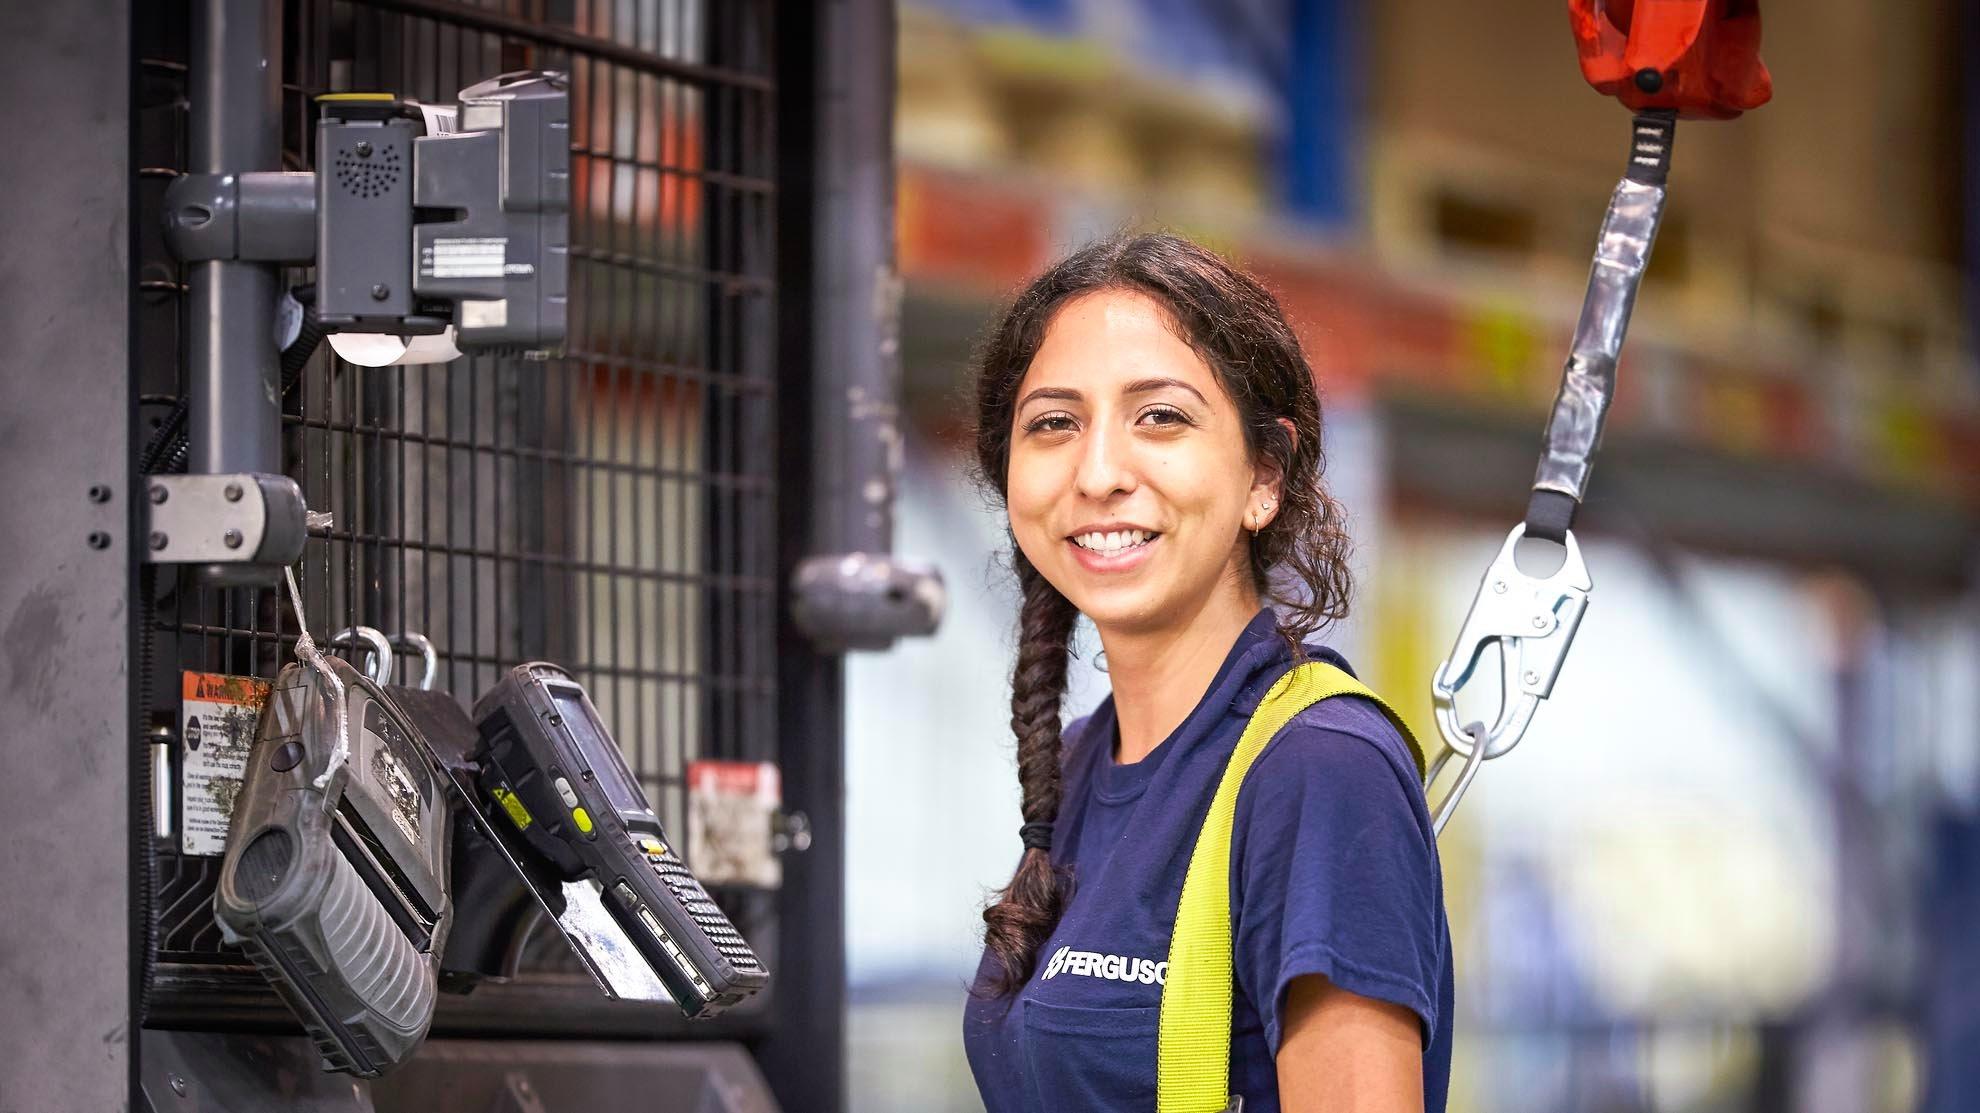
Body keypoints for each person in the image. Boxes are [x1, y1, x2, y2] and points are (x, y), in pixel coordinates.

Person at [960, 233, 1453, 1112]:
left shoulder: (1320, 770)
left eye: (1160, 417)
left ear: (1264, 473)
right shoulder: (1078, 765)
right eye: (1054, 423)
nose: (1099, 471)